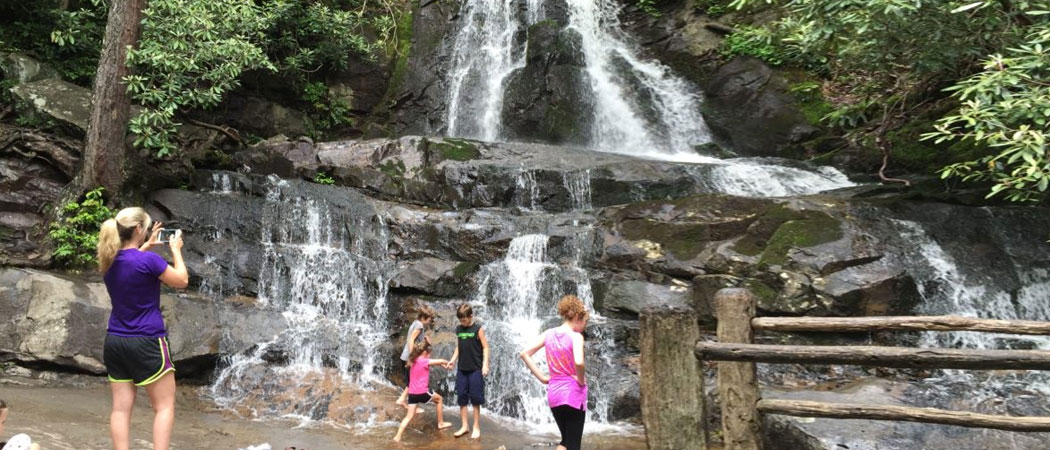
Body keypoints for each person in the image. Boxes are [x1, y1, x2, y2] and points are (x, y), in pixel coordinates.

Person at [97, 207, 189, 450]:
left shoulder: (108, 261)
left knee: (120, 408)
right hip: (147, 341)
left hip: (115, 341)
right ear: (138, 229)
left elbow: (131, 263)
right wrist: (175, 251)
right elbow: (182, 281)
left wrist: (145, 245)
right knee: (164, 406)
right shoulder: (149, 261)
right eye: (146, 229)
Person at [519, 295, 589, 450]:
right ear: (577, 317)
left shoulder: (549, 333)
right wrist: (581, 381)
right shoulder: (576, 337)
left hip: (554, 393)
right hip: (572, 394)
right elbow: (579, 362)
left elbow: (524, 353)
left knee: (565, 442)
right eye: (585, 321)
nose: (585, 326)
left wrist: (544, 378)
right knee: (573, 445)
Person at [444, 304, 489, 439]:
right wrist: (452, 360)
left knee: (475, 399)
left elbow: (486, 347)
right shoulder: (459, 329)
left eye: (464, 320)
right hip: (462, 369)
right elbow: (459, 346)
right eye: (461, 320)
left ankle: (476, 426)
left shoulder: (478, 329)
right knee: (462, 398)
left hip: (475, 369)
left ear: (471, 316)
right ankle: (464, 426)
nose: (463, 323)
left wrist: (485, 365)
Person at [393, 342, 452, 442]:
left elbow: (438, 363)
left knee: (409, 416)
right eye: (429, 354)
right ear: (425, 352)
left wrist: (443, 365)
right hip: (422, 392)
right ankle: (441, 423)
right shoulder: (424, 361)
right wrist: (449, 363)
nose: (430, 356)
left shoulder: (412, 360)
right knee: (439, 399)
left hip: (412, 394)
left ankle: (397, 436)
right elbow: (441, 360)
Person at [396, 306, 435, 408]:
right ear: (423, 318)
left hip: (404, 356)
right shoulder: (420, 326)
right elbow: (411, 340)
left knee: (411, 381)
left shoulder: (415, 323)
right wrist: (413, 356)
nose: (429, 322)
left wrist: (424, 339)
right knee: (413, 382)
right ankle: (402, 400)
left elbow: (413, 338)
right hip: (408, 357)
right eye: (429, 320)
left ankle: (405, 401)